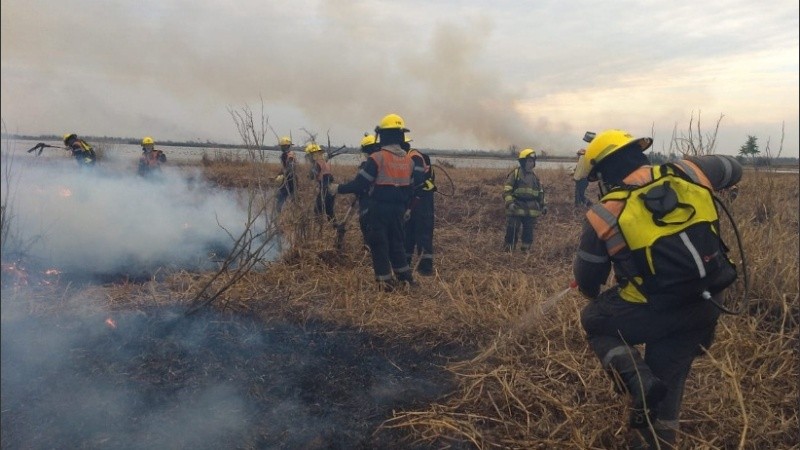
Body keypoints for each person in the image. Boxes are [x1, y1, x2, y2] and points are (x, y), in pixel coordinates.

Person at [573, 129, 743, 449]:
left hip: (654, 309)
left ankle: (637, 380)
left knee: (593, 319)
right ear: (639, 153)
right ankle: (657, 438)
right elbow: (734, 168)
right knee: (668, 382)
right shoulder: (690, 171)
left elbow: (588, 284)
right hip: (707, 303)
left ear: (603, 174)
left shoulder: (604, 212)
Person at [329, 114, 416, 291]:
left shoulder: (377, 158)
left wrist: (337, 188)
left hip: (379, 209)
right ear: (400, 135)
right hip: (399, 210)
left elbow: (360, 184)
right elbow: (411, 189)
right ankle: (405, 279)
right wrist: (407, 209)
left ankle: (385, 284)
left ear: (383, 135)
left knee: (379, 244)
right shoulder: (409, 161)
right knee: (397, 244)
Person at [502, 148, 546, 252]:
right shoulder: (515, 174)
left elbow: (540, 193)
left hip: (531, 209)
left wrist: (543, 205)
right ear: (523, 162)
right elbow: (507, 190)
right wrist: (510, 203)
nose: (531, 164)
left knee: (528, 231)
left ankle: (526, 250)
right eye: (529, 161)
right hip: (516, 207)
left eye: (533, 161)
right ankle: (509, 249)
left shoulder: (535, 177)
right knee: (512, 229)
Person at [404, 138, 436, 276]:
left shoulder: (414, 157)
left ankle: (425, 270)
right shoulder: (410, 156)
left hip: (422, 201)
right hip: (416, 200)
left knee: (423, 235)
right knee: (408, 234)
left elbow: (417, 180)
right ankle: (405, 265)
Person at [305, 142, 336, 223]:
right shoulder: (323, 162)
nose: (309, 158)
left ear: (313, 154)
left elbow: (312, 176)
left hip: (325, 189)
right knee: (330, 212)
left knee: (317, 210)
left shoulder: (317, 164)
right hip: (331, 189)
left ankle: (319, 228)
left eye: (309, 155)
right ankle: (336, 227)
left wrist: (309, 174)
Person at [274, 136, 297, 213]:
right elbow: (285, 167)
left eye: (282, 146)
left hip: (289, 180)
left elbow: (290, 167)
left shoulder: (288, 155)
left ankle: (279, 216)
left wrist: (283, 175)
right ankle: (294, 214)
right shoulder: (290, 154)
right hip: (292, 179)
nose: (281, 148)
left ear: (286, 146)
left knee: (280, 198)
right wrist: (279, 174)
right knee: (292, 198)